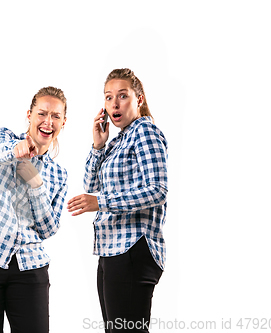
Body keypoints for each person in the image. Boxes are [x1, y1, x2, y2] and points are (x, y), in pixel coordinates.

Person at [0, 86, 68, 333]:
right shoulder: (3, 138)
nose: (48, 121)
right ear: (29, 115)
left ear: (63, 122)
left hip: (30, 266)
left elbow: (49, 228)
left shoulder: (59, 175)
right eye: (42, 113)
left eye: (56, 116)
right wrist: (17, 151)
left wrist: (36, 183)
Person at [67, 68, 168, 333]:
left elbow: (158, 190)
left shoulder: (144, 131)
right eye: (108, 97)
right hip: (112, 249)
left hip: (133, 248)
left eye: (122, 96)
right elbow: (90, 188)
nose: (114, 103)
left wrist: (102, 202)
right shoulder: (118, 141)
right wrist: (98, 145)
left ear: (139, 99)